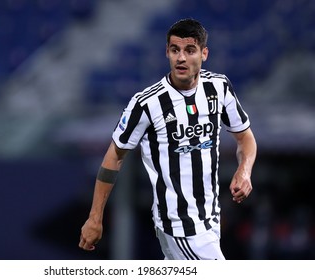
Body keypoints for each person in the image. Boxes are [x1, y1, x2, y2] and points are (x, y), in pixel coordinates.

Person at [79, 18, 257, 260]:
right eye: (175, 50)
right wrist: (95, 217)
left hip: (210, 221)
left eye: (189, 50)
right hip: (180, 225)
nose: (181, 58)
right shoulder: (147, 103)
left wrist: (244, 170)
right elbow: (114, 156)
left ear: (204, 53)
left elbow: (245, 137)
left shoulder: (219, 87)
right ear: (167, 52)